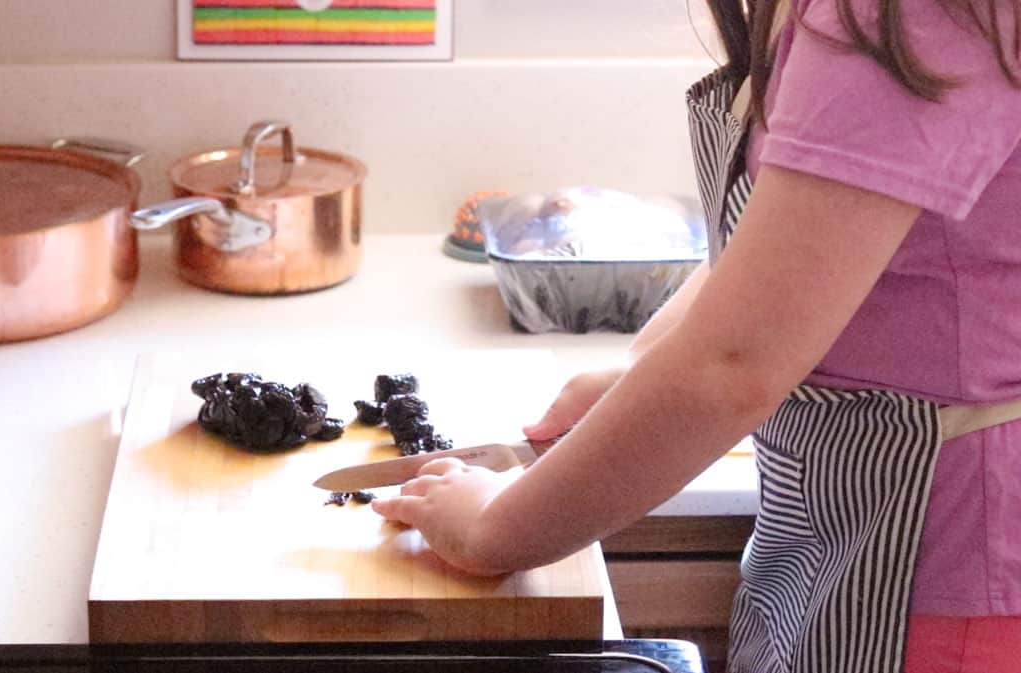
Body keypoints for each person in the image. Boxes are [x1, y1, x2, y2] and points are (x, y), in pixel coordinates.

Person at [371, 0, 1021, 671]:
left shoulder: (902, 14)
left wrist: (490, 530)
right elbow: (797, 244)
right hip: (859, 552)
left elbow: (731, 366)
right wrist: (642, 376)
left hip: (953, 584)